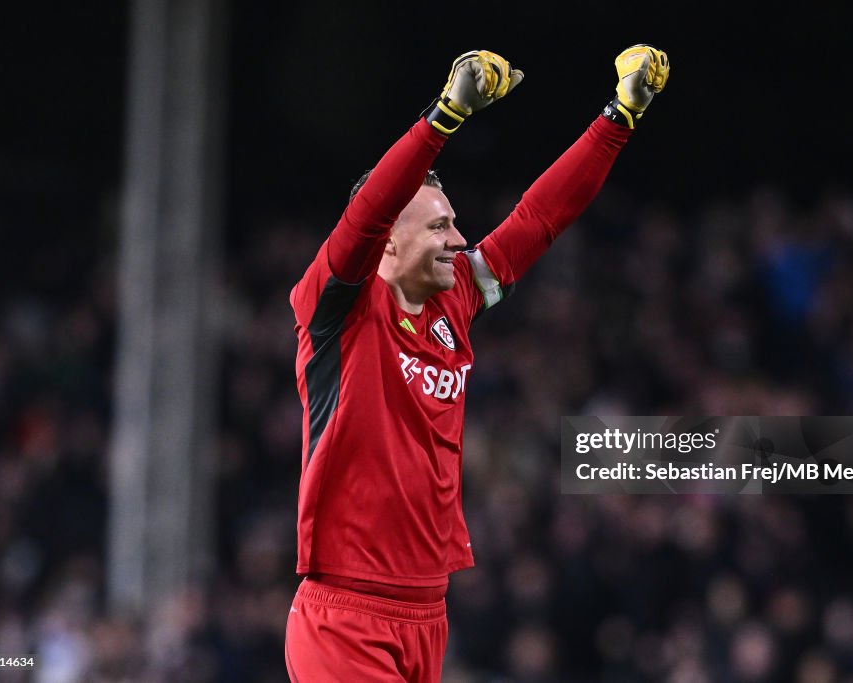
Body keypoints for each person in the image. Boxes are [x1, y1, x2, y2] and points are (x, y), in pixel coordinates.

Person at [284, 44, 670, 682]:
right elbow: (366, 212)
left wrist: (618, 117)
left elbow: (540, 219)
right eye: (438, 228)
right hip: (345, 615)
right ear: (388, 241)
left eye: (454, 224)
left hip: (428, 613)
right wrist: (443, 119)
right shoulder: (336, 306)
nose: (458, 240)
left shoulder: (455, 300)